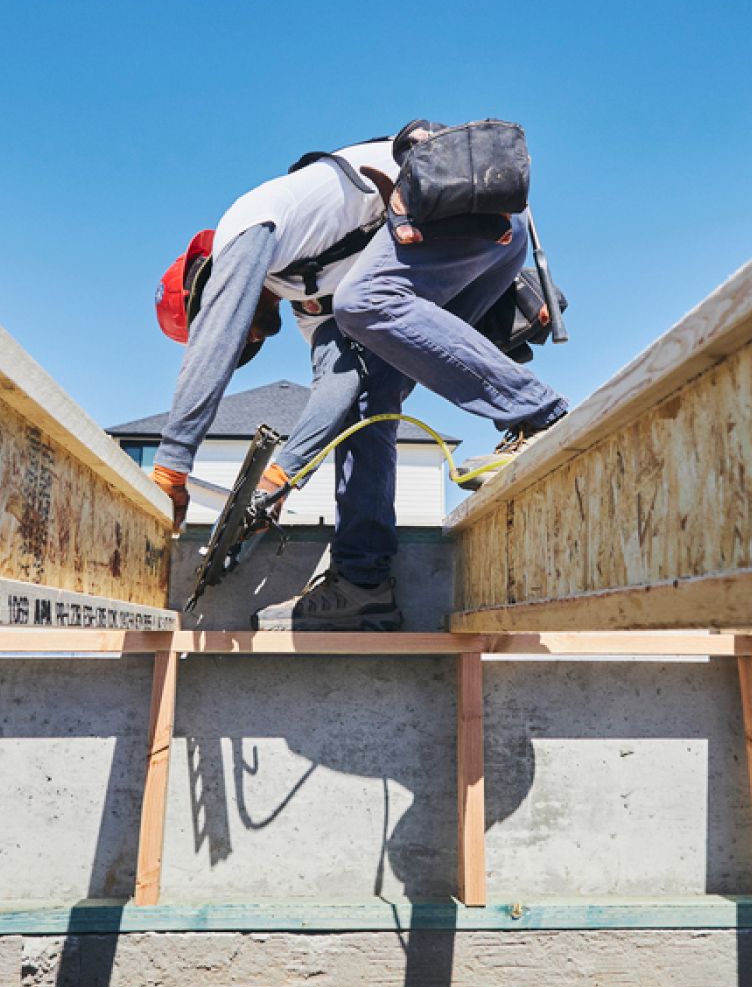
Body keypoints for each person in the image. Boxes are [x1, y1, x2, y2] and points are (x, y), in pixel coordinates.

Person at [151, 121, 569, 631]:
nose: (247, 339)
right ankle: (362, 582)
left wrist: (172, 465)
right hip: (472, 247)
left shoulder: (247, 223)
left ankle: (540, 415)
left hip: (466, 203)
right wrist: (282, 476)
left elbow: (215, 339)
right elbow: (339, 386)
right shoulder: (307, 301)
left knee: (364, 302)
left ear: (209, 287)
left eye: (234, 327)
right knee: (373, 397)